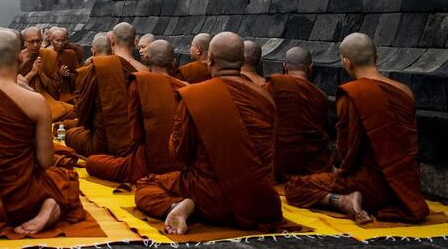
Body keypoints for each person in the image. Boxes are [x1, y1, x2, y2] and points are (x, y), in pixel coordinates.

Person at [134, 32, 282, 235]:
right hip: (259, 203)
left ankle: (177, 205)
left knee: (146, 185)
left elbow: (179, 153)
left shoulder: (196, 95)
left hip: (208, 197)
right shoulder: (266, 98)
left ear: (210, 60)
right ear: (242, 61)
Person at [0, 29, 86, 237]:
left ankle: (48, 206)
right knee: (64, 176)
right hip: (25, 200)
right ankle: (50, 206)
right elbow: (46, 161)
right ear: (20, 56)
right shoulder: (35, 102)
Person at [285, 34, 429, 224]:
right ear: (377, 56)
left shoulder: (353, 94)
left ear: (346, 61)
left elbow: (346, 151)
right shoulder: (404, 91)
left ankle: (343, 200)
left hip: (368, 187)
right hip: (405, 190)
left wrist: (338, 172)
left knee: (295, 187)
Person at [86, 40, 186, 184]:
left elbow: (135, 133)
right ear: (174, 61)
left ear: (146, 59)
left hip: (145, 163)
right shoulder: (187, 88)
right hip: (180, 164)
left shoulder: (141, 83)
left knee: (92, 162)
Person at [64, 23, 141, 156]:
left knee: (70, 134)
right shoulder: (143, 70)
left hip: (102, 140)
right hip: (133, 139)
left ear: (112, 41)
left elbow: (83, 110)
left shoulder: (99, 68)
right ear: (135, 41)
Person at [264, 47, 332, 182]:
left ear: (284, 66)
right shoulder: (320, 96)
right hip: (310, 165)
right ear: (311, 67)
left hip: (276, 163)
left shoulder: (271, 88)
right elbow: (321, 130)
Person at [19, 27, 75, 122]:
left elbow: (55, 90)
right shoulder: (17, 58)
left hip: (44, 98)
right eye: (32, 42)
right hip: (23, 99)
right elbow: (14, 86)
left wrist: (41, 74)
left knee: (74, 111)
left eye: (38, 41)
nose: (36, 45)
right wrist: (33, 73)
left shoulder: (49, 55)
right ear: (24, 42)